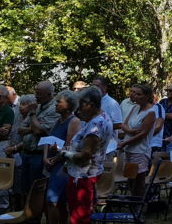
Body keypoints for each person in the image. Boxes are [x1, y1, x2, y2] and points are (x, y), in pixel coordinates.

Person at [61, 87, 114, 224]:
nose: (78, 110)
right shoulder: (102, 117)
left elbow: (85, 155)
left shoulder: (95, 126)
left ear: (90, 105)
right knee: (81, 213)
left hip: (83, 176)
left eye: (81, 105)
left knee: (79, 217)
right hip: (87, 173)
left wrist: (65, 154)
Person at [43, 90, 81, 224]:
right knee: (58, 202)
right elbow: (48, 140)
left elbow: (69, 147)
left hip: (62, 166)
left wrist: (54, 159)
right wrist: (46, 157)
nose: (56, 104)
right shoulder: (58, 120)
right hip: (52, 164)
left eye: (59, 102)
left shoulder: (74, 121)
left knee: (52, 201)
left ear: (69, 104)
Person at [19, 81, 60, 200]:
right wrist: (35, 126)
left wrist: (32, 115)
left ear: (49, 94)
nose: (36, 96)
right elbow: (21, 129)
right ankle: (27, 214)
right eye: (35, 92)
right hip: (26, 153)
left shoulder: (53, 109)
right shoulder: (37, 107)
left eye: (39, 93)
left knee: (36, 189)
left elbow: (40, 132)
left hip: (39, 155)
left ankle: (36, 215)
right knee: (26, 188)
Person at [119, 84, 156, 196]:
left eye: (139, 94)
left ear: (147, 96)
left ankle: (139, 206)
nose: (135, 96)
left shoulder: (151, 112)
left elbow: (143, 133)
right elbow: (123, 124)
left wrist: (125, 142)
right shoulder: (134, 107)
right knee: (130, 177)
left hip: (140, 150)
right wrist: (130, 131)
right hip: (129, 148)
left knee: (138, 180)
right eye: (135, 93)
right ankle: (133, 202)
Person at [5, 94, 35, 209]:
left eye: (24, 104)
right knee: (14, 183)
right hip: (13, 154)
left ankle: (25, 209)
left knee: (24, 185)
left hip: (26, 154)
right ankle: (14, 208)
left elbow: (31, 138)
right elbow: (12, 133)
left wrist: (15, 148)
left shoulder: (34, 117)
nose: (21, 107)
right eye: (20, 104)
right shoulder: (17, 115)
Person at [91, 76, 123, 158]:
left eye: (97, 86)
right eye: (92, 86)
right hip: (92, 145)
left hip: (107, 147)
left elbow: (118, 124)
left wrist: (100, 128)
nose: (94, 88)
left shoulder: (111, 103)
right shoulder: (92, 101)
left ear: (104, 88)